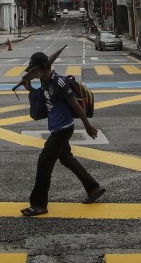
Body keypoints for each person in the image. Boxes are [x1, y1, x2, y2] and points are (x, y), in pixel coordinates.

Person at [20, 51, 106, 217]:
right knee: (66, 158)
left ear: (44, 67)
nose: (35, 74)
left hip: (64, 129)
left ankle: (39, 204)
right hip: (56, 127)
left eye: (36, 70)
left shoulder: (59, 82)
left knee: (44, 162)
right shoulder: (45, 81)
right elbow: (43, 100)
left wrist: (88, 125)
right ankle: (93, 188)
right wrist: (29, 87)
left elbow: (74, 104)